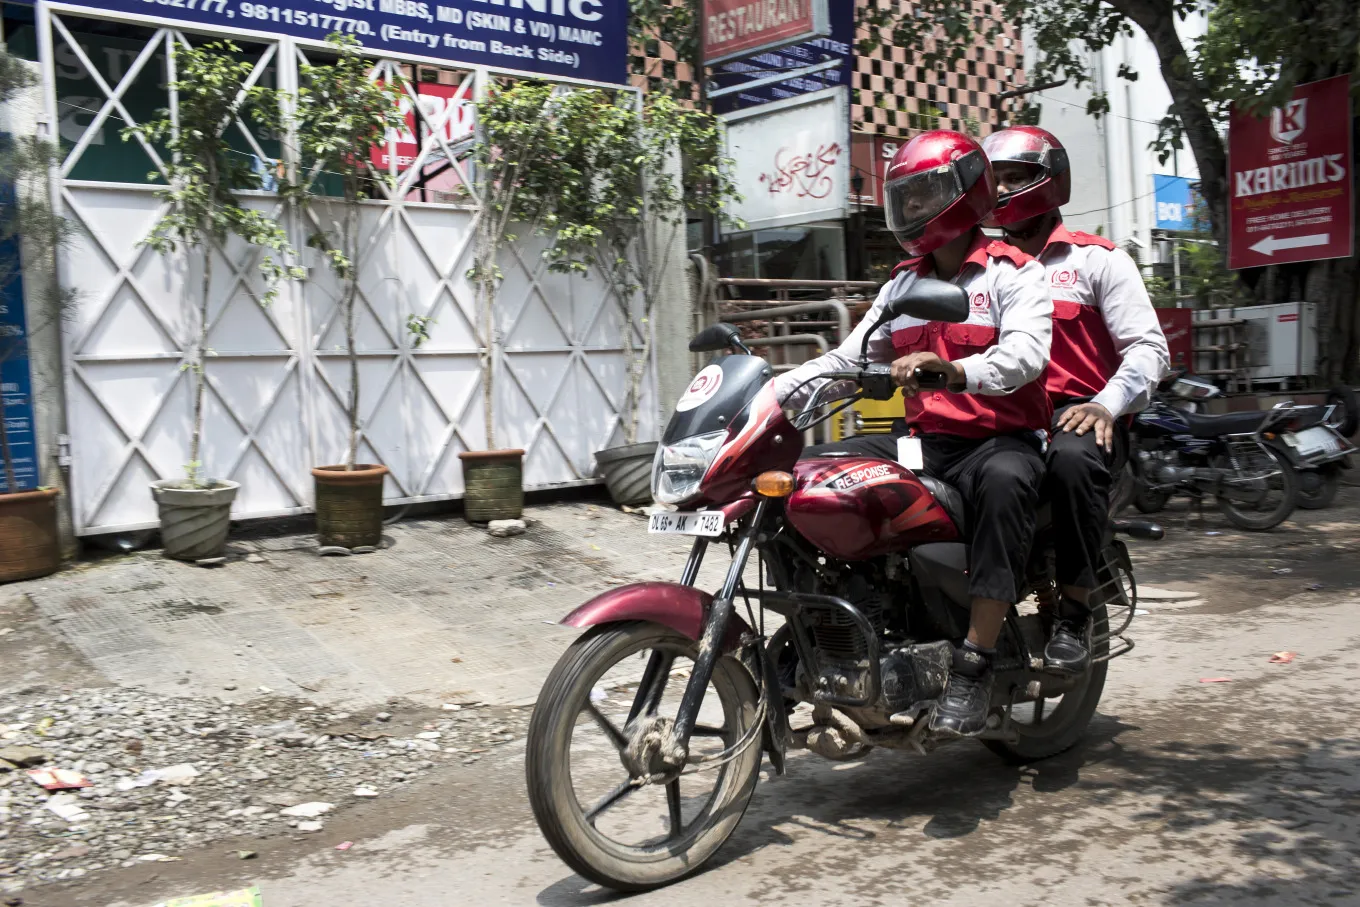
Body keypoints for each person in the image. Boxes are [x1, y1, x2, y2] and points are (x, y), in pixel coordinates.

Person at [774, 130, 1052, 737]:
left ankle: (974, 665)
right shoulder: (900, 285)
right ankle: (823, 629)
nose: (914, 210)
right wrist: (768, 394)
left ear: (964, 193)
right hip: (925, 440)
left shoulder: (1015, 274)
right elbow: (845, 359)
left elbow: (1026, 358)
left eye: (927, 195)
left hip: (1000, 440)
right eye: (906, 197)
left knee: (1005, 485)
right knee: (805, 478)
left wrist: (954, 371)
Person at [981, 125, 1169, 674]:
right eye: (995, 181)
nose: (1002, 191)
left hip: (1081, 418)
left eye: (1014, 178)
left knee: (1069, 455)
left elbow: (1148, 347)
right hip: (1001, 421)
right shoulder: (982, 270)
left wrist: (1107, 403)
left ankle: (1075, 611)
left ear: (1046, 183)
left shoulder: (1098, 262)